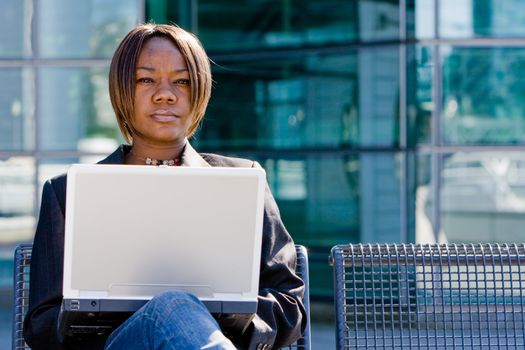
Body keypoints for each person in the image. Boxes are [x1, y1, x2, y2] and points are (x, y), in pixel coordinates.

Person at [24, 23, 306, 350]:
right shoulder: (68, 193)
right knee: (170, 306)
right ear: (121, 91)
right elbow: (41, 325)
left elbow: (290, 306)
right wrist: (114, 315)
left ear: (200, 90)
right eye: (146, 79)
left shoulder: (243, 182)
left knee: (175, 306)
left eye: (182, 81)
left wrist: (208, 312)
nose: (165, 93)